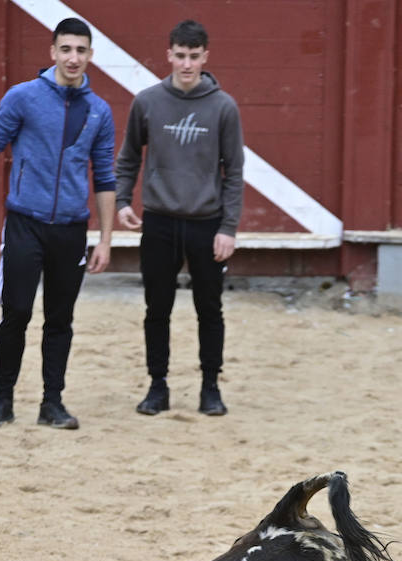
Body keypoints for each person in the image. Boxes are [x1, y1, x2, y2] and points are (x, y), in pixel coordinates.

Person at [0, 17, 117, 430]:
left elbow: (106, 177)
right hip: (25, 223)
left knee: (60, 318)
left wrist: (106, 239)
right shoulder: (23, 98)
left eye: (81, 50)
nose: (73, 58)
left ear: (90, 56)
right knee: (16, 311)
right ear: (52, 52)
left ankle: (51, 404)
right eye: (66, 49)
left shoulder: (99, 111)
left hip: (71, 229)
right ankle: (2, 401)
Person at [114, 19, 245, 417]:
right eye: (180, 56)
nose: (186, 64)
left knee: (210, 308)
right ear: (169, 55)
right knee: (157, 308)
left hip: (206, 224)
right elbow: (129, 157)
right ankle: (158, 386)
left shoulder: (223, 107)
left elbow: (234, 172)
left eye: (194, 57)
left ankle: (210, 387)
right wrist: (122, 200)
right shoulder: (148, 102)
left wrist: (228, 228)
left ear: (205, 57)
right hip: (159, 221)